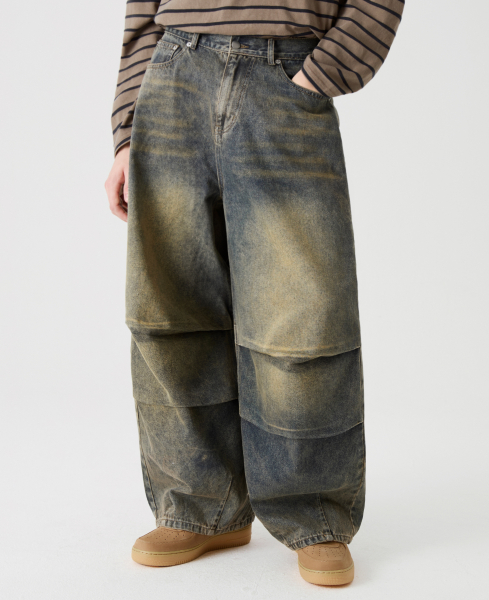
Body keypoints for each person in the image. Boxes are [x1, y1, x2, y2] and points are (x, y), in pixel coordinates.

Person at [105, 1, 405, 587]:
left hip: (286, 75)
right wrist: (126, 131)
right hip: (171, 75)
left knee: (302, 316)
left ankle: (314, 514)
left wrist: (316, 76)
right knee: (172, 310)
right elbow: (141, 10)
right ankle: (200, 506)